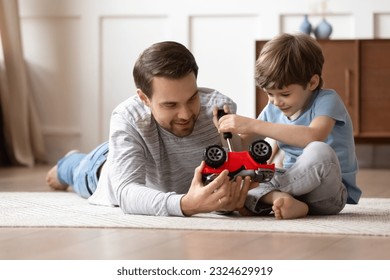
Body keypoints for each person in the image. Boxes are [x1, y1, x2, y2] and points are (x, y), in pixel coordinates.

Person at [46, 41, 254, 217]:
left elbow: (235, 170)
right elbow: (126, 191)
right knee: (76, 170)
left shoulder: (221, 110)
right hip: (101, 167)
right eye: (170, 105)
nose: (185, 114)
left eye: (192, 98)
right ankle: (68, 162)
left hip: (144, 155)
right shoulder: (127, 116)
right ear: (144, 98)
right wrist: (185, 205)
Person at [217, 33, 362, 219]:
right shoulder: (274, 108)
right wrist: (226, 130)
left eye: (284, 94)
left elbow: (312, 136)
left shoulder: (327, 100)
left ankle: (256, 196)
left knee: (320, 150)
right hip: (292, 185)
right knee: (246, 172)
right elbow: (242, 148)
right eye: (270, 94)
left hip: (327, 193)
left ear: (312, 82)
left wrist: (253, 124)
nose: (276, 102)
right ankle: (284, 201)